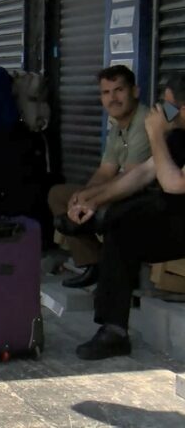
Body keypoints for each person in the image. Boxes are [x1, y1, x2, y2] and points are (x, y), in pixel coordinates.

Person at [65, 74, 185, 360]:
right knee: (122, 224)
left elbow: (175, 183)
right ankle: (114, 330)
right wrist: (94, 201)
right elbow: (143, 173)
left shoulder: (165, 135)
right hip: (175, 215)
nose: (163, 113)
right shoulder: (179, 136)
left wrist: (155, 135)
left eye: (170, 107)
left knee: (130, 220)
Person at [49, 66, 150, 289]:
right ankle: (93, 262)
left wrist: (92, 197)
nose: (112, 98)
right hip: (122, 189)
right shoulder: (117, 127)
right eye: (106, 92)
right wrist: (83, 195)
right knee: (59, 195)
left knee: (96, 205)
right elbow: (105, 171)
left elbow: (131, 178)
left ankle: (114, 268)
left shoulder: (144, 122)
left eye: (119, 90)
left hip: (143, 196)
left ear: (135, 91)